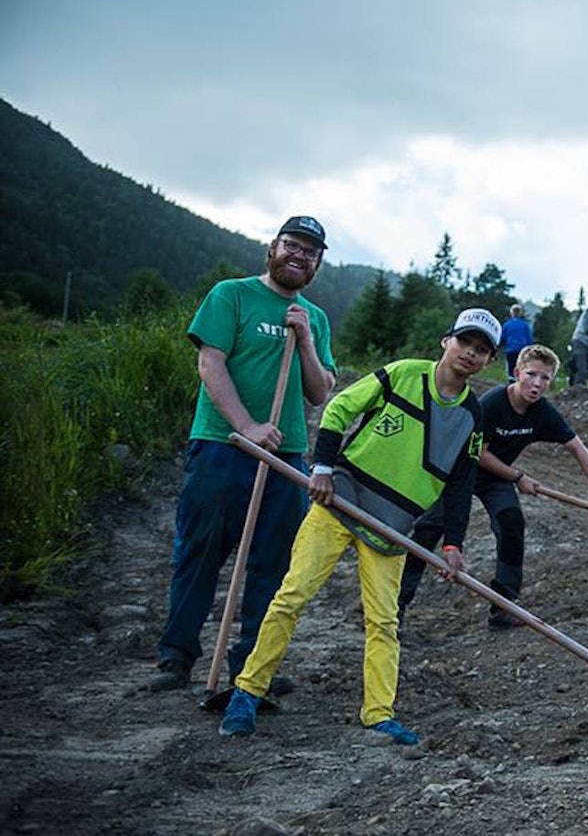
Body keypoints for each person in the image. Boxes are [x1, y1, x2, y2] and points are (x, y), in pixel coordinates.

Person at [218, 308, 499, 745]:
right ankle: (247, 691)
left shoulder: (472, 416)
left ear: (487, 361)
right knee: (293, 595)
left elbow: (461, 483)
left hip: (393, 527)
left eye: (481, 351)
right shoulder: (404, 373)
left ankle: (379, 714)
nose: (471, 353)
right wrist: (324, 468)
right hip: (340, 500)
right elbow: (339, 407)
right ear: (447, 341)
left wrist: (452, 544)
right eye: (466, 342)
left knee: (385, 623)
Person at [149, 216, 336, 694]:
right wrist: (247, 426)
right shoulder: (230, 295)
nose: (299, 255)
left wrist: (307, 342)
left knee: (273, 562)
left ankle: (252, 667)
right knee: (200, 550)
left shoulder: (313, 318)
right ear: (272, 248)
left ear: (316, 263)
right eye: (292, 245)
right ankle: (176, 657)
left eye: (310, 251)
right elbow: (209, 363)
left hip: (285, 455)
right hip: (222, 445)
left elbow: (320, 392)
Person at [398, 344, 588, 629]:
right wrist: (517, 477)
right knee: (428, 529)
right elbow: (481, 453)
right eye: (531, 374)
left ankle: (503, 605)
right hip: (459, 473)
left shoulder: (542, 412)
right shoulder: (493, 403)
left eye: (545, 378)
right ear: (516, 372)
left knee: (511, 522)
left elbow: (578, 448)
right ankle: (395, 606)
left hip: (494, 480)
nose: (537, 384)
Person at [499, 303, 534, 381]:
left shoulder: (507, 325)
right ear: (520, 313)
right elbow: (530, 340)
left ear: (511, 313)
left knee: (511, 368)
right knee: (521, 367)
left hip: (511, 350)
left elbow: (502, 338)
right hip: (522, 351)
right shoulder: (525, 325)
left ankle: (512, 385)